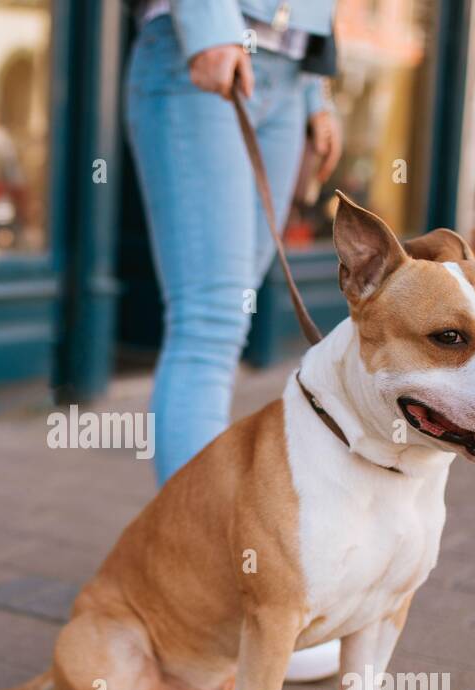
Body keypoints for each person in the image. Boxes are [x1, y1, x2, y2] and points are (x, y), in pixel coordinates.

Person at [125, 1, 342, 484]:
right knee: (210, 319)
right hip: (202, 47)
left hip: (289, 72)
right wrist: (208, 25)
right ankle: (198, 544)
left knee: (230, 313)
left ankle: (196, 534)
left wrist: (315, 95)